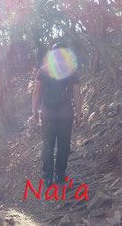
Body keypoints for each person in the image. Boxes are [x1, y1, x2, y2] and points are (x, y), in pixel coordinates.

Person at [30, 42, 82, 186]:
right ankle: (60, 175)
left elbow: (36, 92)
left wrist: (34, 111)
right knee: (64, 146)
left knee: (47, 145)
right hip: (66, 115)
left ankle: (47, 177)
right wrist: (79, 113)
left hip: (47, 115)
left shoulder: (43, 70)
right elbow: (77, 93)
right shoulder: (72, 71)